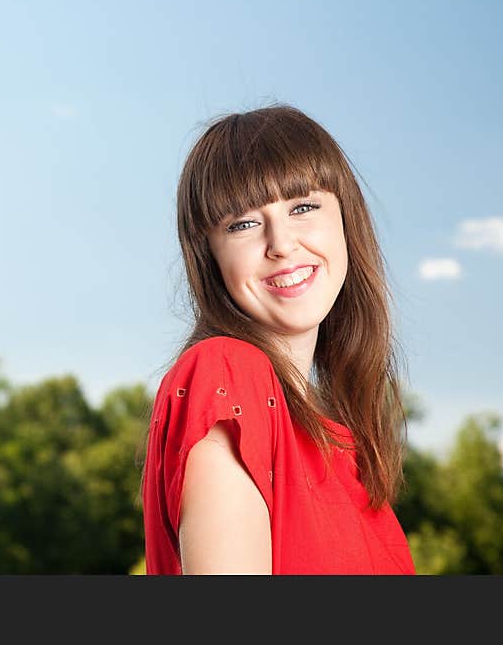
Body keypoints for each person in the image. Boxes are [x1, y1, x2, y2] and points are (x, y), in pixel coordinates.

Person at [140, 104, 416, 575]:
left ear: (346, 220)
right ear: (209, 255)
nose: (281, 243)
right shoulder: (225, 374)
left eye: (303, 207)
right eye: (243, 224)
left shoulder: (340, 445)